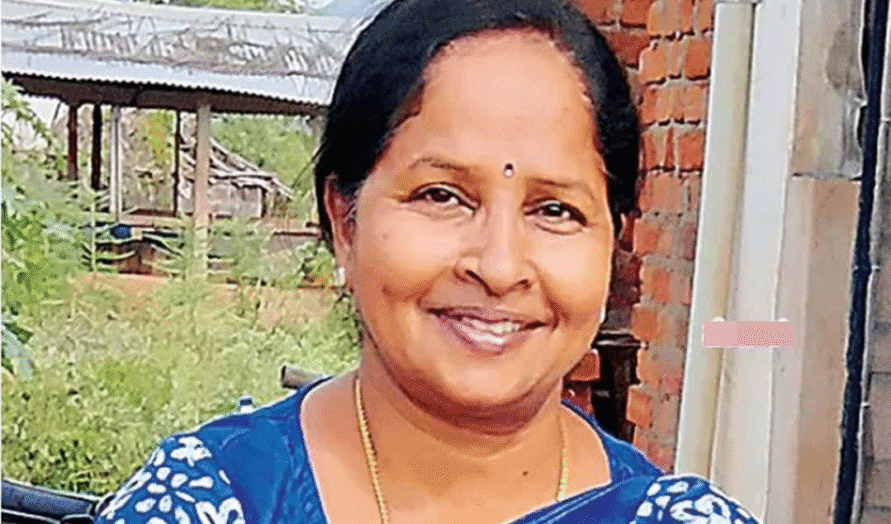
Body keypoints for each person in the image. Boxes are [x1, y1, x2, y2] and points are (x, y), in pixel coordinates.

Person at [94, 0, 760, 522]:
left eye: (555, 210)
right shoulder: (209, 502)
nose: (499, 266)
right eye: (441, 195)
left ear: (612, 242)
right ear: (344, 221)